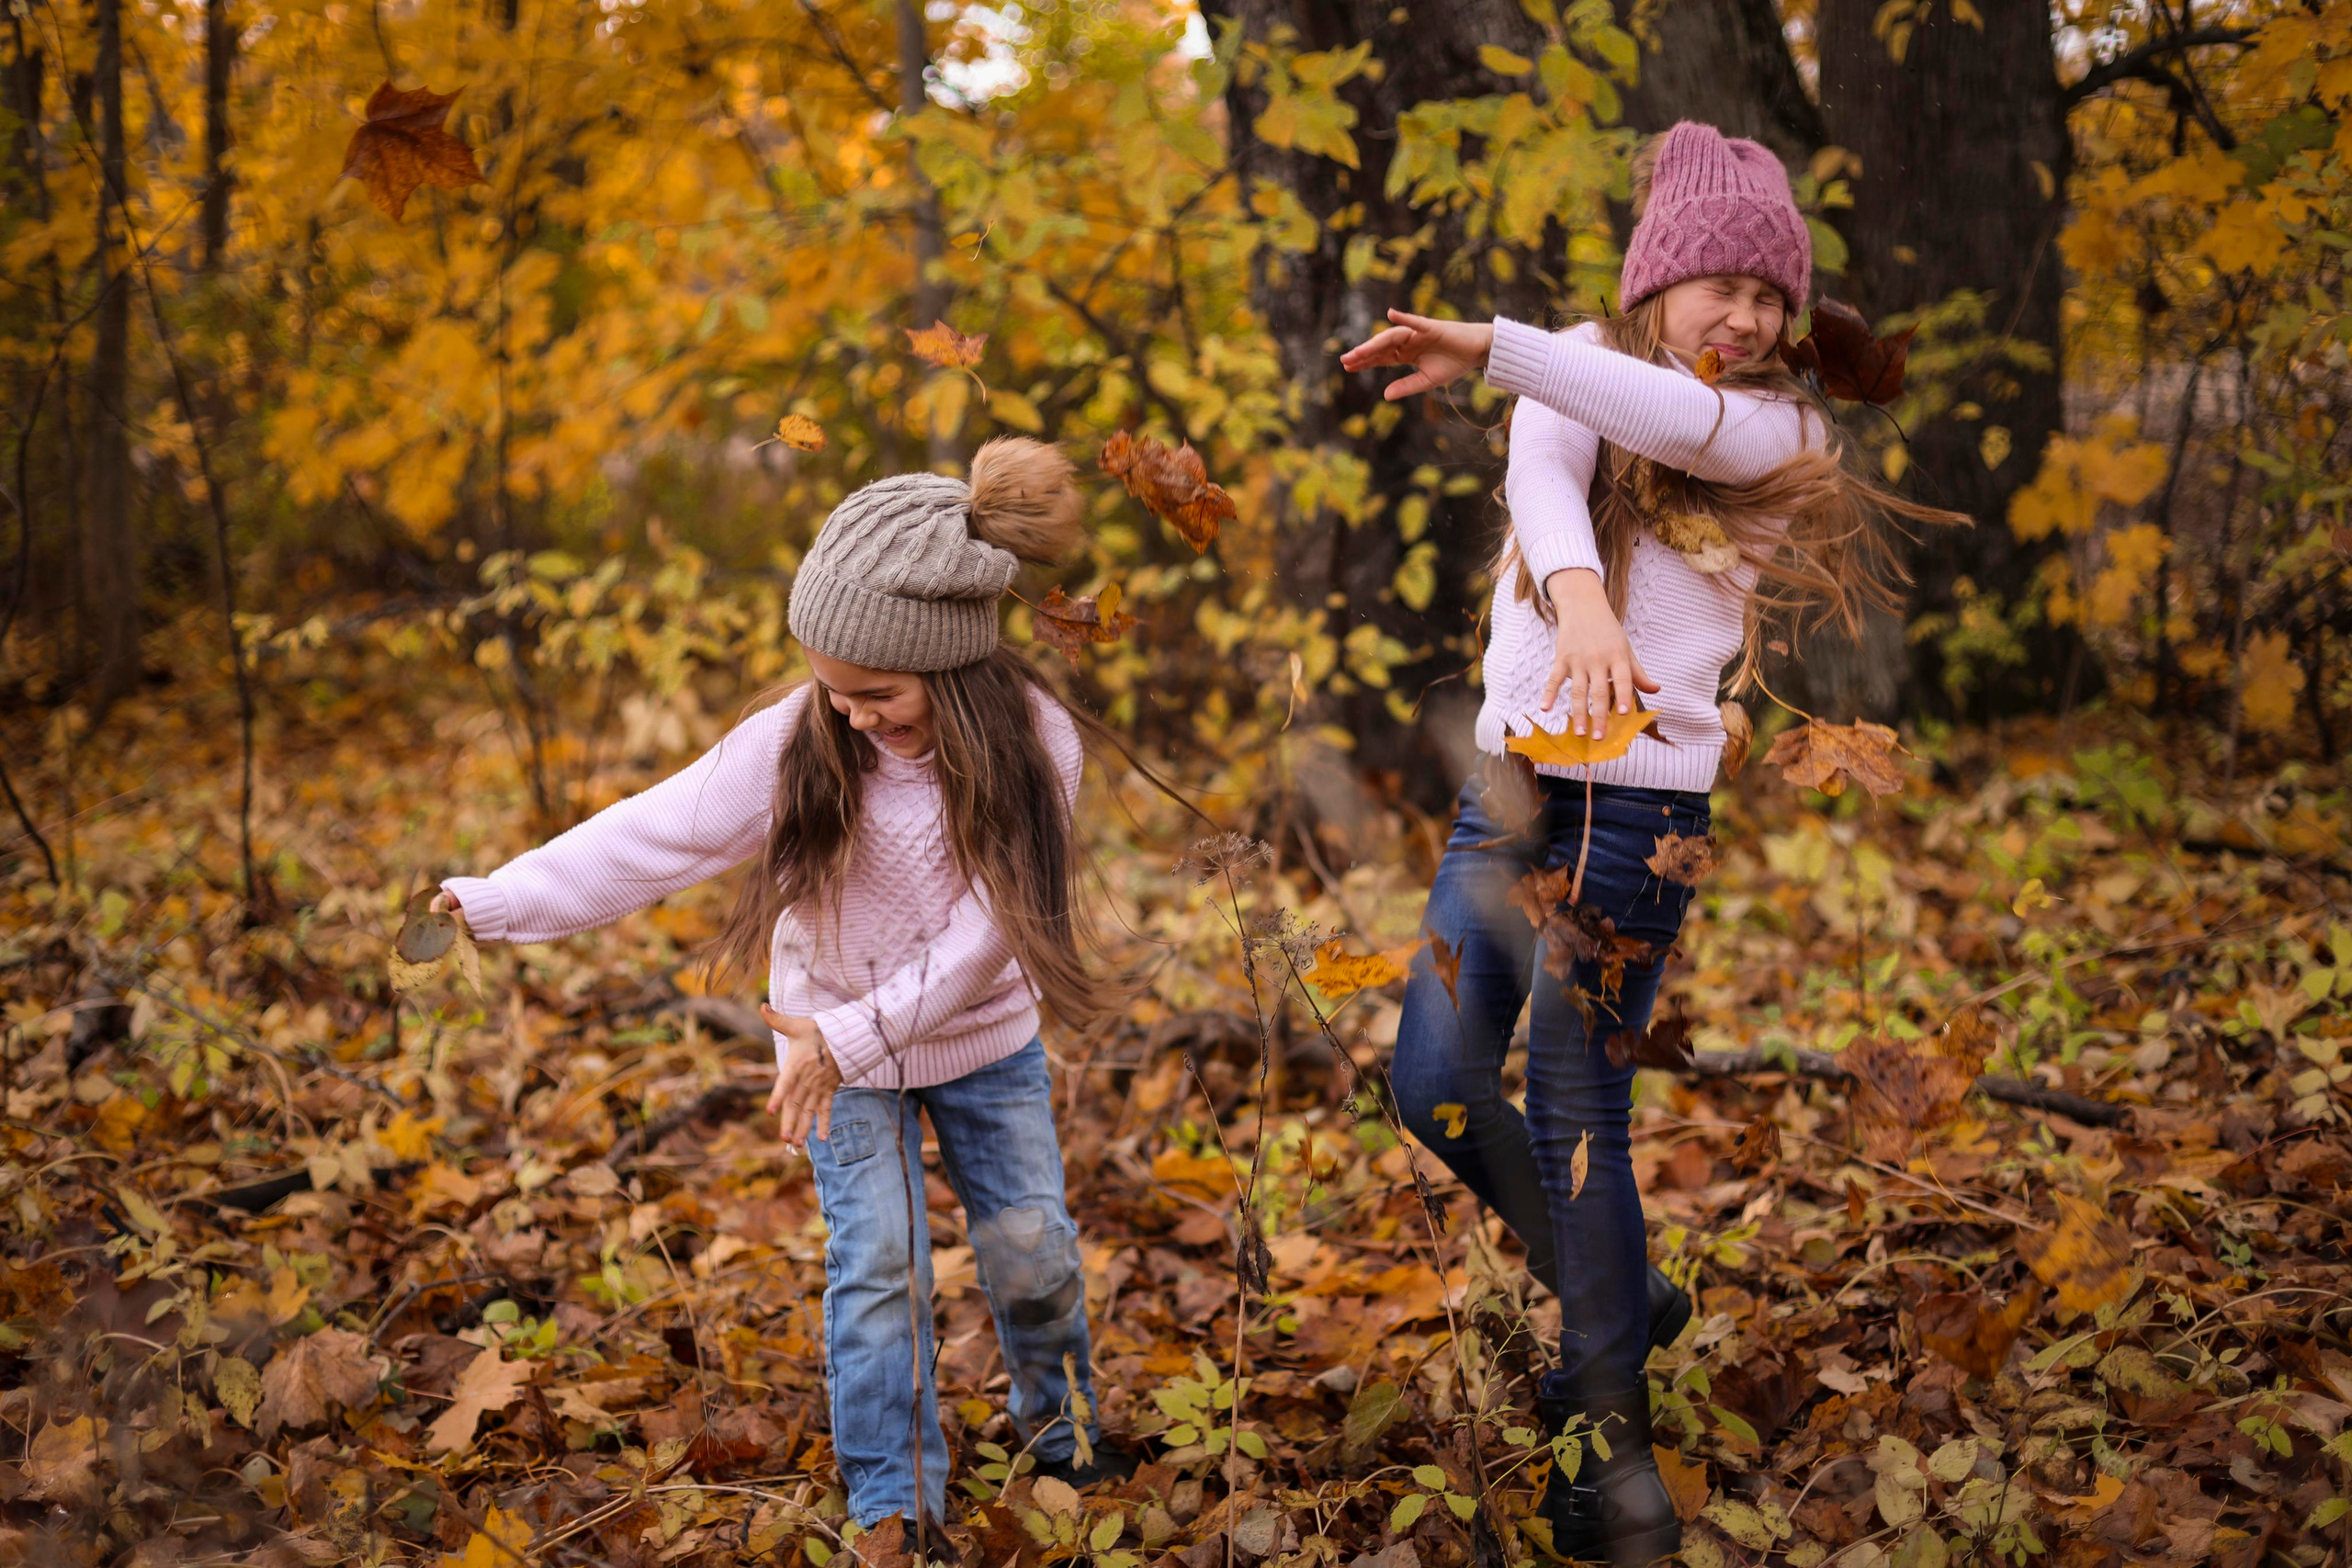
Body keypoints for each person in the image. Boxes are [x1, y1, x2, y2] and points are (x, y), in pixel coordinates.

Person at [1340, 120, 1963, 1565]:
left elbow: (1666, 423)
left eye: (1771, 296)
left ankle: (1595, 1431)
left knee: (1574, 1116)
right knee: (1429, 1080)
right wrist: (1580, 599)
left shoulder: (1780, 428)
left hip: (1639, 814)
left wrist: (1494, 341)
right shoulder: (1571, 366)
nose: (1744, 317)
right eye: (1718, 285)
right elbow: (1548, 471)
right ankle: (1621, 1290)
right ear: (1655, 279)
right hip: (1508, 793)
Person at [432, 438, 1138, 1535]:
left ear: (949, 661)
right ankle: (895, 1507)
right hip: (827, 1054)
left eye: (876, 692)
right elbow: (648, 837)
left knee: (1032, 1248)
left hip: (978, 1043)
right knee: (880, 1269)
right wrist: (497, 899)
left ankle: (1067, 1442)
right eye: (831, 686)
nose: (849, 711)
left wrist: (850, 1037)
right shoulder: (802, 736)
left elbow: (986, 940)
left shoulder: (1036, 745)